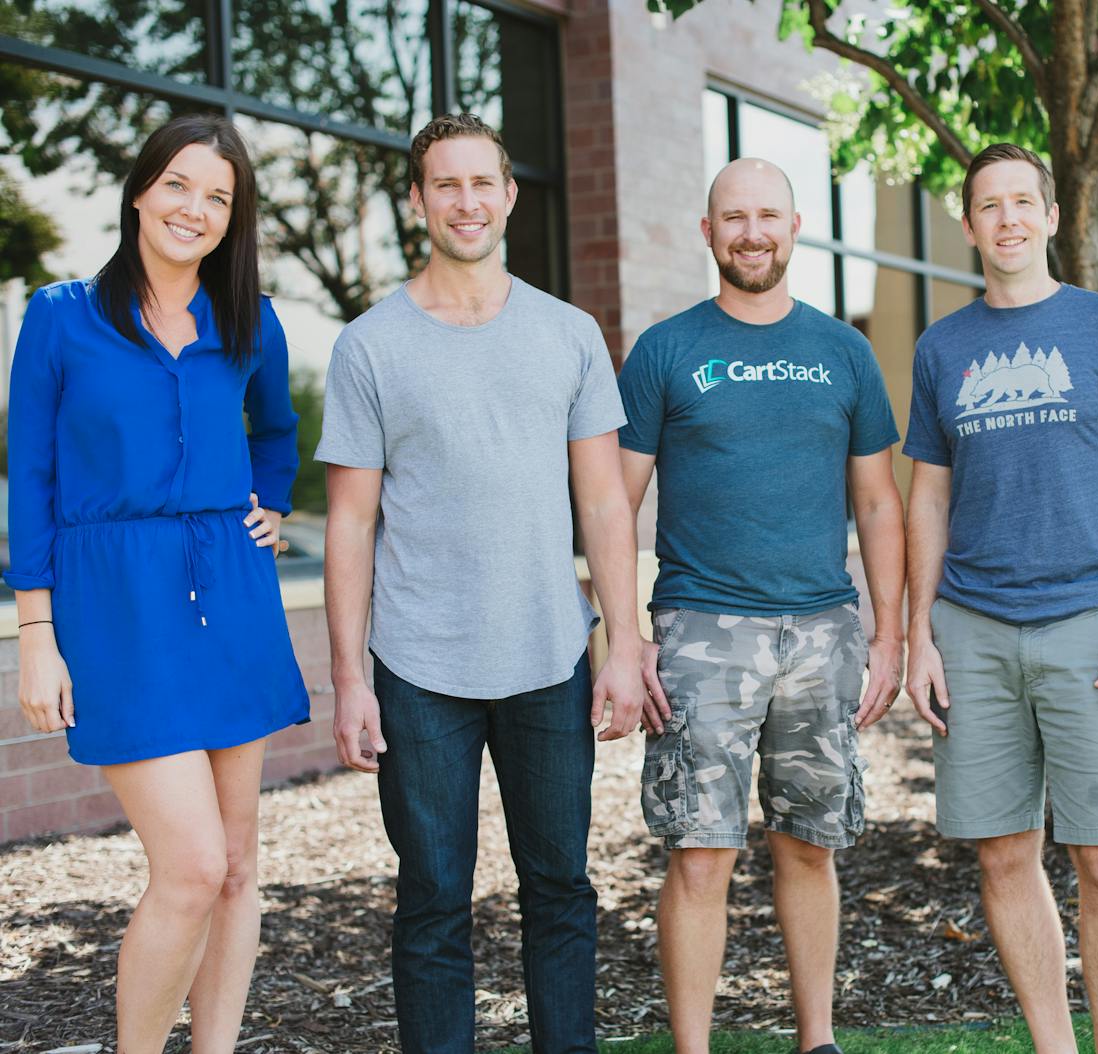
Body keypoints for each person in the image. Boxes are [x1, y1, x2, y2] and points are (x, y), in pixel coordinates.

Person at [316, 113, 643, 1054]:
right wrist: (349, 680)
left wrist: (622, 646)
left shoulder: (569, 333)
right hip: (418, 669)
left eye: (482, 184)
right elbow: (349, 522)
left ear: (507, 195)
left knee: (560, 890)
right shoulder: (369, 346)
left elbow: (606, 508)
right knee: (431, 901)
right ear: (417, 201)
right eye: (444, 185)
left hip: (548, 656)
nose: (466, 202)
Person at [7, 114, 309, 1053]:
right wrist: (35, 630)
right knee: (190, 866)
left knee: (238, 868)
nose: (196, 208)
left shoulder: (251, 321)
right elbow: (33, 477)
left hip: (234, 590)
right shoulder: (60, 317)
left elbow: (276, 430)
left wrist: (271, 501)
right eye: (178, 184)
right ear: (140, 191)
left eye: (219, 196)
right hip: (117, 605)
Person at [618, 157, 905, 1054]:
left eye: (769, 216)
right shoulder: (667, 350)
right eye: (733, 218)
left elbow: (879, 503)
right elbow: (610, 505)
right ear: (709, 233)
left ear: (795, 228)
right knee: (700, 852)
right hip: (701, 630)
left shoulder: (844, 352)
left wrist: (889, 634)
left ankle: (817, 1038)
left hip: (823, 629)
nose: (752, 233)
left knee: (811, 846)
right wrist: (622, 637)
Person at [903, 143, 1098, 1053]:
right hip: (972, 627)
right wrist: (918, 635)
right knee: (1003, 850)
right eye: (991, 205)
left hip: (1096, 626)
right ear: (971, 223)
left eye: (1025, 202)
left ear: (1052, 217)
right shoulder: (942, 347)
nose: (1009, 219)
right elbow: (928, 496)